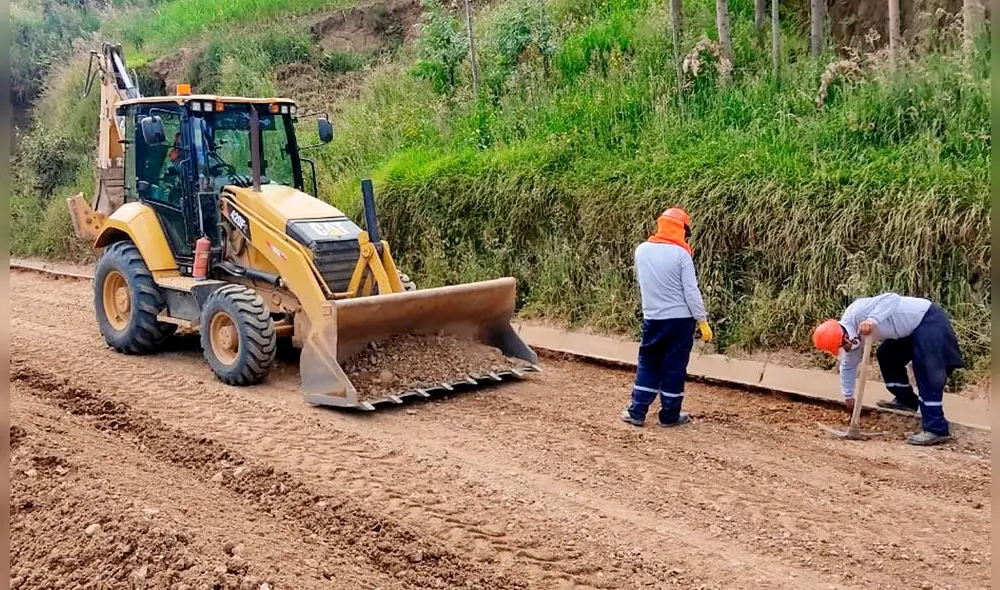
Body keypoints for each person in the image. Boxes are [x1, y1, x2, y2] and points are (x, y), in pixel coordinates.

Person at [812, 293, 963, 446]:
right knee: (887, 355)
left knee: (926, 370)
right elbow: (848, 365)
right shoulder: (851, 340)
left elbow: (892, 298)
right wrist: (848, 396)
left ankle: (936, 429)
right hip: (907, 331)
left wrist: (872, 320)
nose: (846, 349)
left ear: (844, 338)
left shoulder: (858, 311)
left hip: (926, 319)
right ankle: (906, 401)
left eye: (843, 346)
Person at [621, 207, 712, 428]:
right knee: (674, 366)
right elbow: (691, 291)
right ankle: (670, 415)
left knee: (648, 363)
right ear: (681, 229)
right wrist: (702, 320)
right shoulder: (682, 254)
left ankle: (637, 411)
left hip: (653, 318)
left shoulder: (641, 250)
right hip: (680, 322)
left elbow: (643, 283)